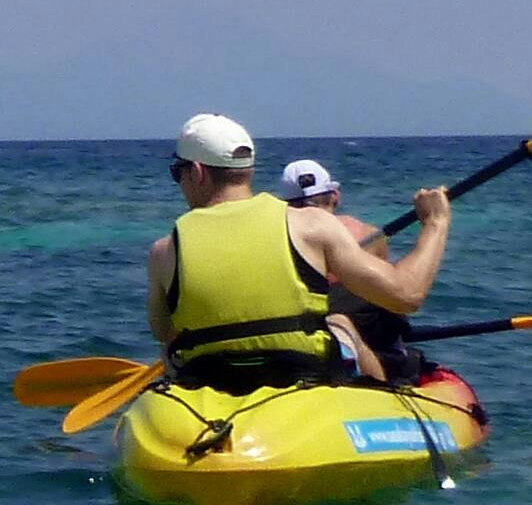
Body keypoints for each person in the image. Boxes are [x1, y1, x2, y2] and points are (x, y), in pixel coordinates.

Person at [143, 115, 448, 395]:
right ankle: (384, 396)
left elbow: (164, 333)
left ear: (196, 173)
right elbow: (406, 294)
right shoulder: (312, 226)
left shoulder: (164, 251)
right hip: (302, 380)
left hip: (210, 386)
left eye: (177, 173)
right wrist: (435, 222)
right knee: (340, 323)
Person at [277, 155, 445, 388]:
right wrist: (435, 221)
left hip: (306, 326)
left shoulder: (277, 237)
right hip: (352, 327)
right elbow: (399, 294)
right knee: (358, 318)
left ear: (286, 206)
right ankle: (383, 384)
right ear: (335, 196)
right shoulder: (367, 233)